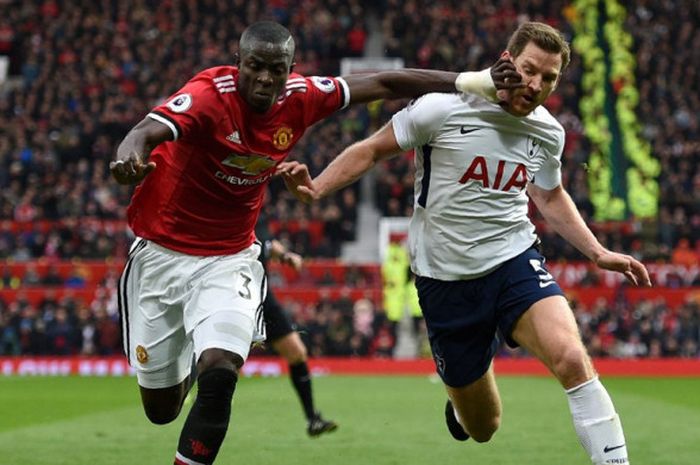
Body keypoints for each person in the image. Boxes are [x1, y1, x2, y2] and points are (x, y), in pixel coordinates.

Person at [109, 20, 520, 465]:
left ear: (291, 69)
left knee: (221, 370)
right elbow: (145, 131)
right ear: (238, 63)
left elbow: (385, 82)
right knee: (162, 410)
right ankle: (189, 348)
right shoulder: (210, 95)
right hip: (162, 257)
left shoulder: (302, 96)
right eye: (255, 67)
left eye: (276, 69)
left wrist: (470, 82)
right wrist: (128, 156)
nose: (265, 78)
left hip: (229, 258)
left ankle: (208, 355)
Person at [279, 21, 651, 465]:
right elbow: (374, 149)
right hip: (446, 281)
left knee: (572, 358)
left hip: (513, 260)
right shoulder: (441, 108)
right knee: (482, 427)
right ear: (507, 61)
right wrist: (317, 188)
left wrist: (598, 252)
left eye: (548, 78)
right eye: (530, 70)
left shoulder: (549, 132)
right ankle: (464, 397)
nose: (536, 85)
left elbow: (549, 194)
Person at [254, 213, 338, 437]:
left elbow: (267, 243)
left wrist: (286, 255)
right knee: (220, 360)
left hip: (262, 296)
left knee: (297, 352)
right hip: (232, 294)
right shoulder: (228, 205)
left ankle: (313, 419)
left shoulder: (257, 210)